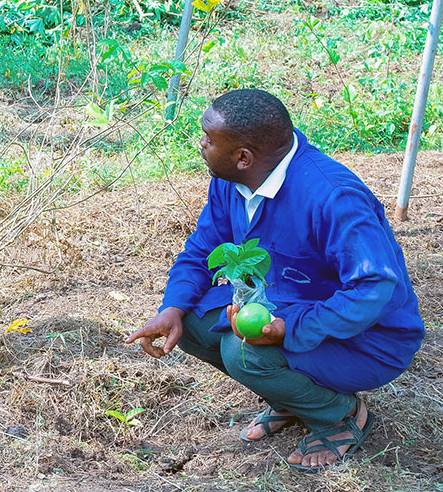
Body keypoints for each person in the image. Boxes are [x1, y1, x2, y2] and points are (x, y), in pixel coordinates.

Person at [127, 89, 424, 472]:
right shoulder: (230, 181)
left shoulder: (332, 197)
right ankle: (292, 398)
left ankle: (342, 416)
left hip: (369, 338)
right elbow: (201, 251)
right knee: (192, 323)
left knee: (245, 353)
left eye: (208, 138)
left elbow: (373, 289)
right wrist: (171, 307)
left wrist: (290, 329)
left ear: (243, 156)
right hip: (289, 308)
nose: (200, 144)